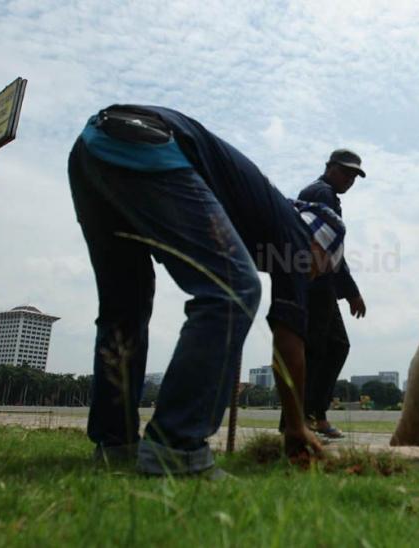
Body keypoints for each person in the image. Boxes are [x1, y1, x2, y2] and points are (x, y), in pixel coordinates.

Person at [68, 104, 346, 476]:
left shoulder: (263, 216)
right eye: (320, 269)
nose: (312, 278)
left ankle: (116, 446)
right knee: (233, 287)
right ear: (319, 246)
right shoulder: (295, 238)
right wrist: (296, 425)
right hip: (149, 143)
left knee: (126, 305)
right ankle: (176, 448)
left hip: (94, 150)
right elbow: (289, 342)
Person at [295, 149, 367, 438]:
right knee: (316, 350)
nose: (350, 179)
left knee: (334, 346)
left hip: (319, 282)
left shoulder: (324, 194)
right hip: (314, 282)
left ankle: (315, 414)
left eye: (354, 176)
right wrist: (351, 292)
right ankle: (303, 418)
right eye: (346, 172)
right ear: (330, 167)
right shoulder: (320, 193)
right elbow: (326, 246)